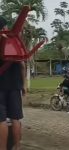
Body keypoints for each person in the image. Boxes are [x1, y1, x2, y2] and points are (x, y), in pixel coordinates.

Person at [0, 16, 26, 150]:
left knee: (1, 121)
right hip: (15, 86)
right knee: (16, 119)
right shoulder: (14, 42)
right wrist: (24, 86)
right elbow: (22, 65)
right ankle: (17, 147)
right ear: (5, 27)